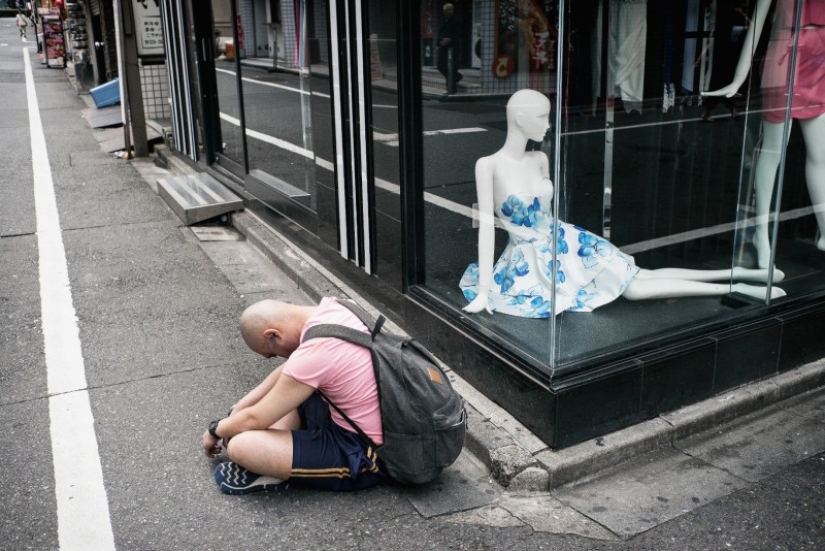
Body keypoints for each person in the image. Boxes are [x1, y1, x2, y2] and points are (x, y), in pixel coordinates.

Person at [460, 89, 785, 318]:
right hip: (532, 260)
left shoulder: (540, 157)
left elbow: (550, 214)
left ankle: (736, 274)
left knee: (638, 274)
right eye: (543, 116)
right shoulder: (488, 165)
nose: (549, 123)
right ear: (519, 118)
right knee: (633, 287)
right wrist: (486, 291)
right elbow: (486, 231)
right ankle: (736, 285)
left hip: (567, 242)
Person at [201, 297, 385, 494]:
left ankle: (283, 472)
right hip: (362, 416)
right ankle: (281, 459)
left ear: (273, 334)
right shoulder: (338, 306)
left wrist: (215, 430)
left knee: (239, 446)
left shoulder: (316, 350)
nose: (279, 357)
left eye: (272, 354)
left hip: (364, 451)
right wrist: (241, 407)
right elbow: (290, 369)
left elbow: (257, 417)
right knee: (258, 414)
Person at [704, 0, 825, 268]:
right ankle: (761, 234)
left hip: (820, 61)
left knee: (820, 154)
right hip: (785, 57)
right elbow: (757, 22)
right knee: (772, 151)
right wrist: (738, 77)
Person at [437, 3, 463, 94]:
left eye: (451, 9)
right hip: (444, 48)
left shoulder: (456, 21)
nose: (450, 11)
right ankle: (457, 77)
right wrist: (438, 45)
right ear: (444, 11)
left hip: (453, 48)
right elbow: (440, 33)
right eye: (448, 10)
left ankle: (451, 89)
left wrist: (450, 39)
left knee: (452, 68)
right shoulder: (445, 21)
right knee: (440, 66)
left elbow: (460, 34)